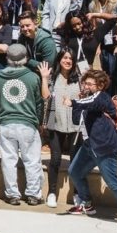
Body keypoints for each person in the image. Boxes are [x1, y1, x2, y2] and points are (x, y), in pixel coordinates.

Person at [68, 69, 117, 228]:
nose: (85, 86)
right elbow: (75, 120)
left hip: (105, 147)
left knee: (112, 181)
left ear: (100, 85)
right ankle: (86, 203)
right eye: (84, 83)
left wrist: (74, 102)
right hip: (89, 146)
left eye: (89, 83)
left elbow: (95, 103)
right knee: (74, 171)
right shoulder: (85, 100)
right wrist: (78, 104)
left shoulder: (102, 97)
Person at [0, 43, 49, 205]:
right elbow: (39, 103)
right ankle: (33, 194)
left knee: (8, 160)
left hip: (6, 123)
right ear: (25, 58)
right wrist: (38, 121)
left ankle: (12, 194)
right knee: (32, 160)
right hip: (28, 123)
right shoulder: (33, 77)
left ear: (8, 58)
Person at [44, 49, 82, 209]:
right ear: (59, 59)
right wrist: (44, 79)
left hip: (75, 125)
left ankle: (77, 193)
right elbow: (45, 96)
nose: (68, 61)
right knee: (56, 159)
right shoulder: (52, 76)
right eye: (65, 58)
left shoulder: (79, 79)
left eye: (70, 59)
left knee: (76, 161)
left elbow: (84, 97)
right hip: (55, 122)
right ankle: (52, 192)